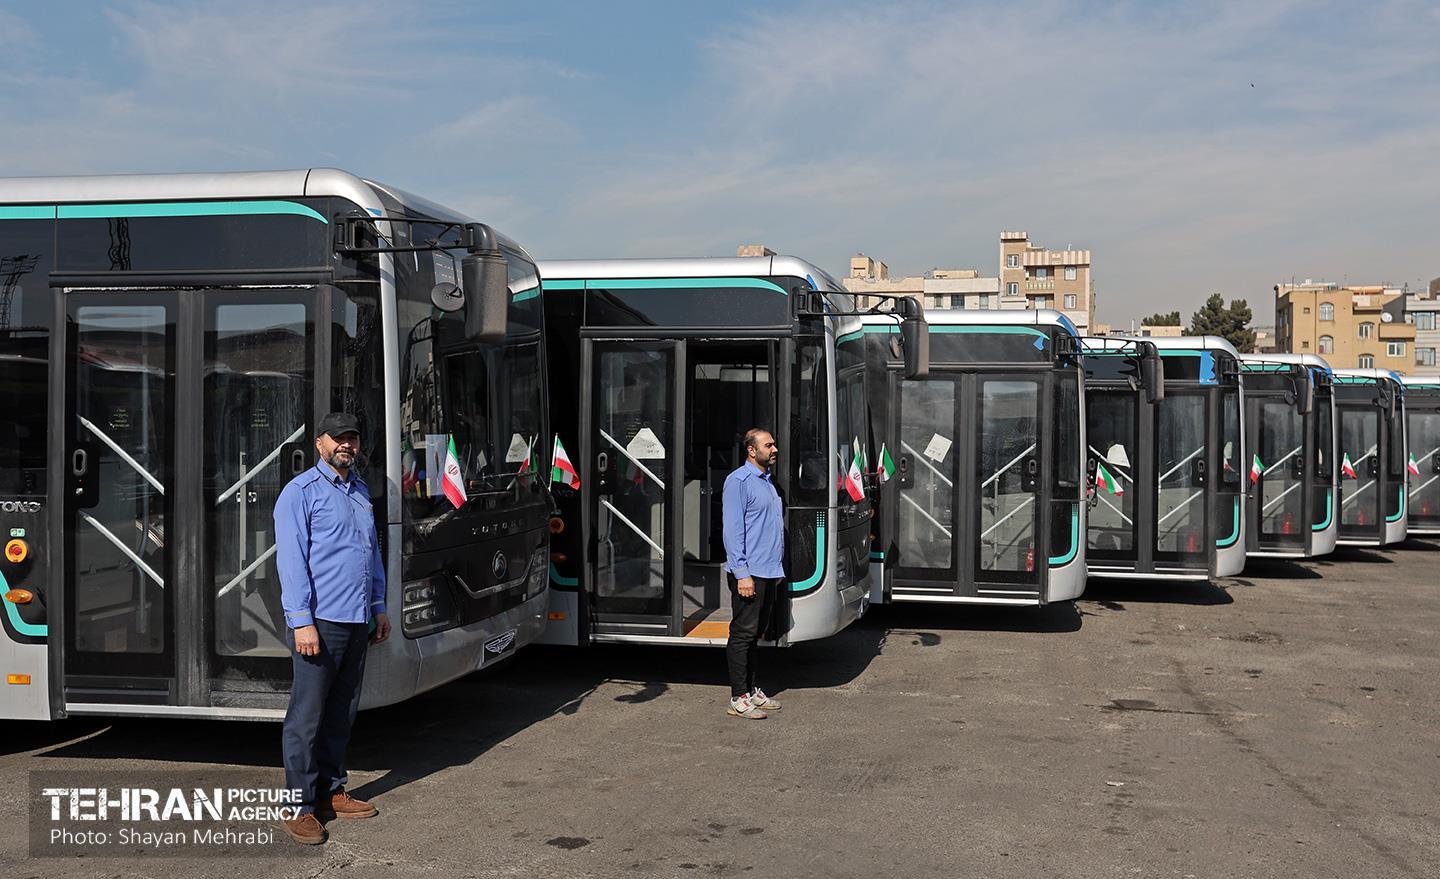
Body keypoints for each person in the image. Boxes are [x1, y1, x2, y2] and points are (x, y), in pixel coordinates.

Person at [274, 413, 391, 844]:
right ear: (319, 443)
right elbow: (291, 562)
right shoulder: (300, 493)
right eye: (337, 438)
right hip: (319, 624)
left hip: (357, 619)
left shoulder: (359, 491)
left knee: (342, 712)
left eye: (352, 438)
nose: (346, 445)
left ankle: (330, 791)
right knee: (307, 717)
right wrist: (301, 622)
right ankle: (298, 806)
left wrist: (378, 607)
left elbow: (370, 554)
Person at [721, 428, 786, 719]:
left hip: (768, 570)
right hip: (749, 573)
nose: (774, 449)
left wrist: (776, 569)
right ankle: (738, 697)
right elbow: (733, 531)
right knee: (742, 634)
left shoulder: (768, 481)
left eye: (774, 445)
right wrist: (742, 573)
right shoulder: (738, 481)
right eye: (768, 445)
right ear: (751, 450)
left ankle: (751, 690)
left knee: (755, 635)